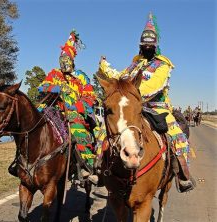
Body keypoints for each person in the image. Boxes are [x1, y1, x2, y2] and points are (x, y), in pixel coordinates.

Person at [98, 12, 195, 192]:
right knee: (104, 132)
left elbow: (154, 86)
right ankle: (100, 168)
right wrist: (106, 68)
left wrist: (130, 94)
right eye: (145, 45)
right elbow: (122, 78)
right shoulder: (135, 64)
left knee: (178, 137)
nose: (147, 47)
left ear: (155, 46)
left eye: (150, 45)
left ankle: (183, 175)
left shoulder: (162, 65)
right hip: (134, 107)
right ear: (141, 46)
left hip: (158, 109)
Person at [37, 30, 99, 184]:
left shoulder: (81, 76)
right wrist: (54, 89)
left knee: (77, 129)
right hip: (54, 110)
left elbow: (90, 96)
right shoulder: (54, 74)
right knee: (34, 124)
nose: (64, 63)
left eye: (67, 59)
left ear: (72, 60)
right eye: (61, 59)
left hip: (75, 112)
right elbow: (42, 87)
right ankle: (26, 161)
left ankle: (88, 166)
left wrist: (76, 106)